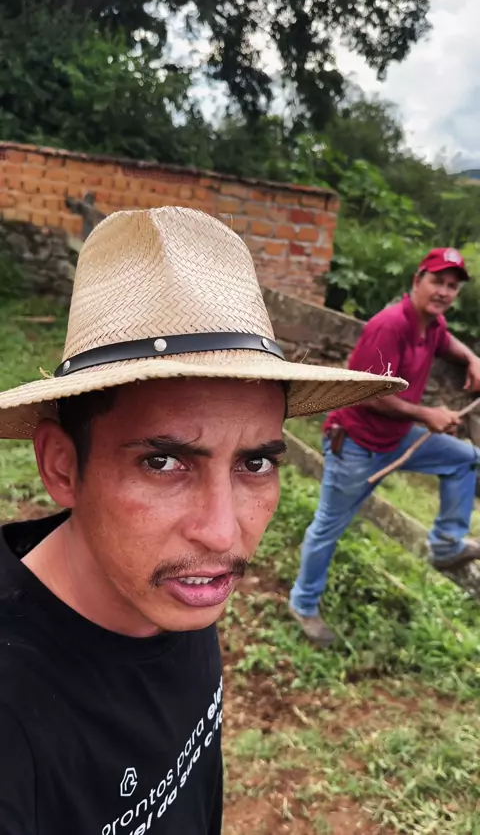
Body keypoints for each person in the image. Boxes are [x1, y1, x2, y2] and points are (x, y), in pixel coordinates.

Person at [0, 206, 404, 833]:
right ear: (62, 466)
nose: (221, 535)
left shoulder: (173, 587)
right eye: (163, 462)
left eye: (255, 463)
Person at [290, 247, 480, 647]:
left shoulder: (432, 325)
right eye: (437, 281)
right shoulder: (389, 326)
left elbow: (447, 342)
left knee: (465, 459)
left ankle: (446, 544)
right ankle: (303, 604)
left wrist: (472, 358)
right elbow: (366, 391)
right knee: (328, 527)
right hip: (356, 444)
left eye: (452, 286)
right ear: (417, 280)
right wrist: (426, 414)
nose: (444, 291)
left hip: (395, 438)